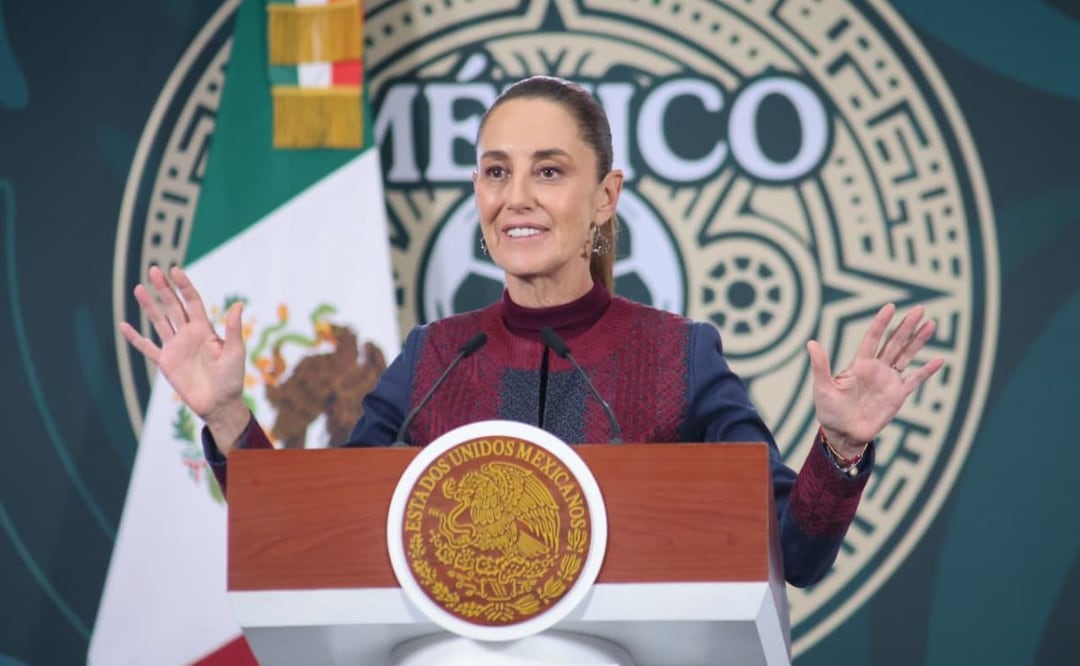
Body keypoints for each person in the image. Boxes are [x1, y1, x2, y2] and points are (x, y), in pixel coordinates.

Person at [120, 75, 943, 588]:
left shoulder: (679, 355)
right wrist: (227, 417)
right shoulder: (436, 359)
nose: (516, 196)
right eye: (495, 171)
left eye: (549, 171)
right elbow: (314, 541)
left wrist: (838, 451)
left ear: (606, 195)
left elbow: (791, 558)